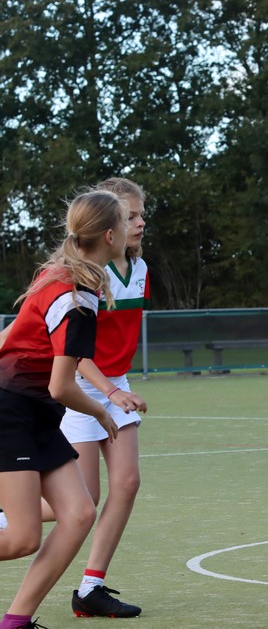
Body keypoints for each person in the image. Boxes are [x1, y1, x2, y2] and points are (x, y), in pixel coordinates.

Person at [0, 190, 129, 629]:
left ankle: (14, 623)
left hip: (33, 411)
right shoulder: (77, 299)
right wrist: (102, 410)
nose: (132, 229)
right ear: (110, 235)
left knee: (78, 513)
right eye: (126, 221)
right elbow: (61, 385)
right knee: (21, 539)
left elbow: (10, 337)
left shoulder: (57, 273)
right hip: (12, 410)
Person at [51, 178, 149, 618]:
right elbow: (75, 358)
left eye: (142, 214)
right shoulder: (86, 275)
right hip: (79, 389)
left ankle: (90, 588)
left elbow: (117, 342)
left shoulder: (140, 269)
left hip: (115, 385)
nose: (140, 222)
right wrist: (110, 390)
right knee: (84, 499)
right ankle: (8, 512)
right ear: (109, 227)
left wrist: (117, 386)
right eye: (131, 216)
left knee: (127, 483)